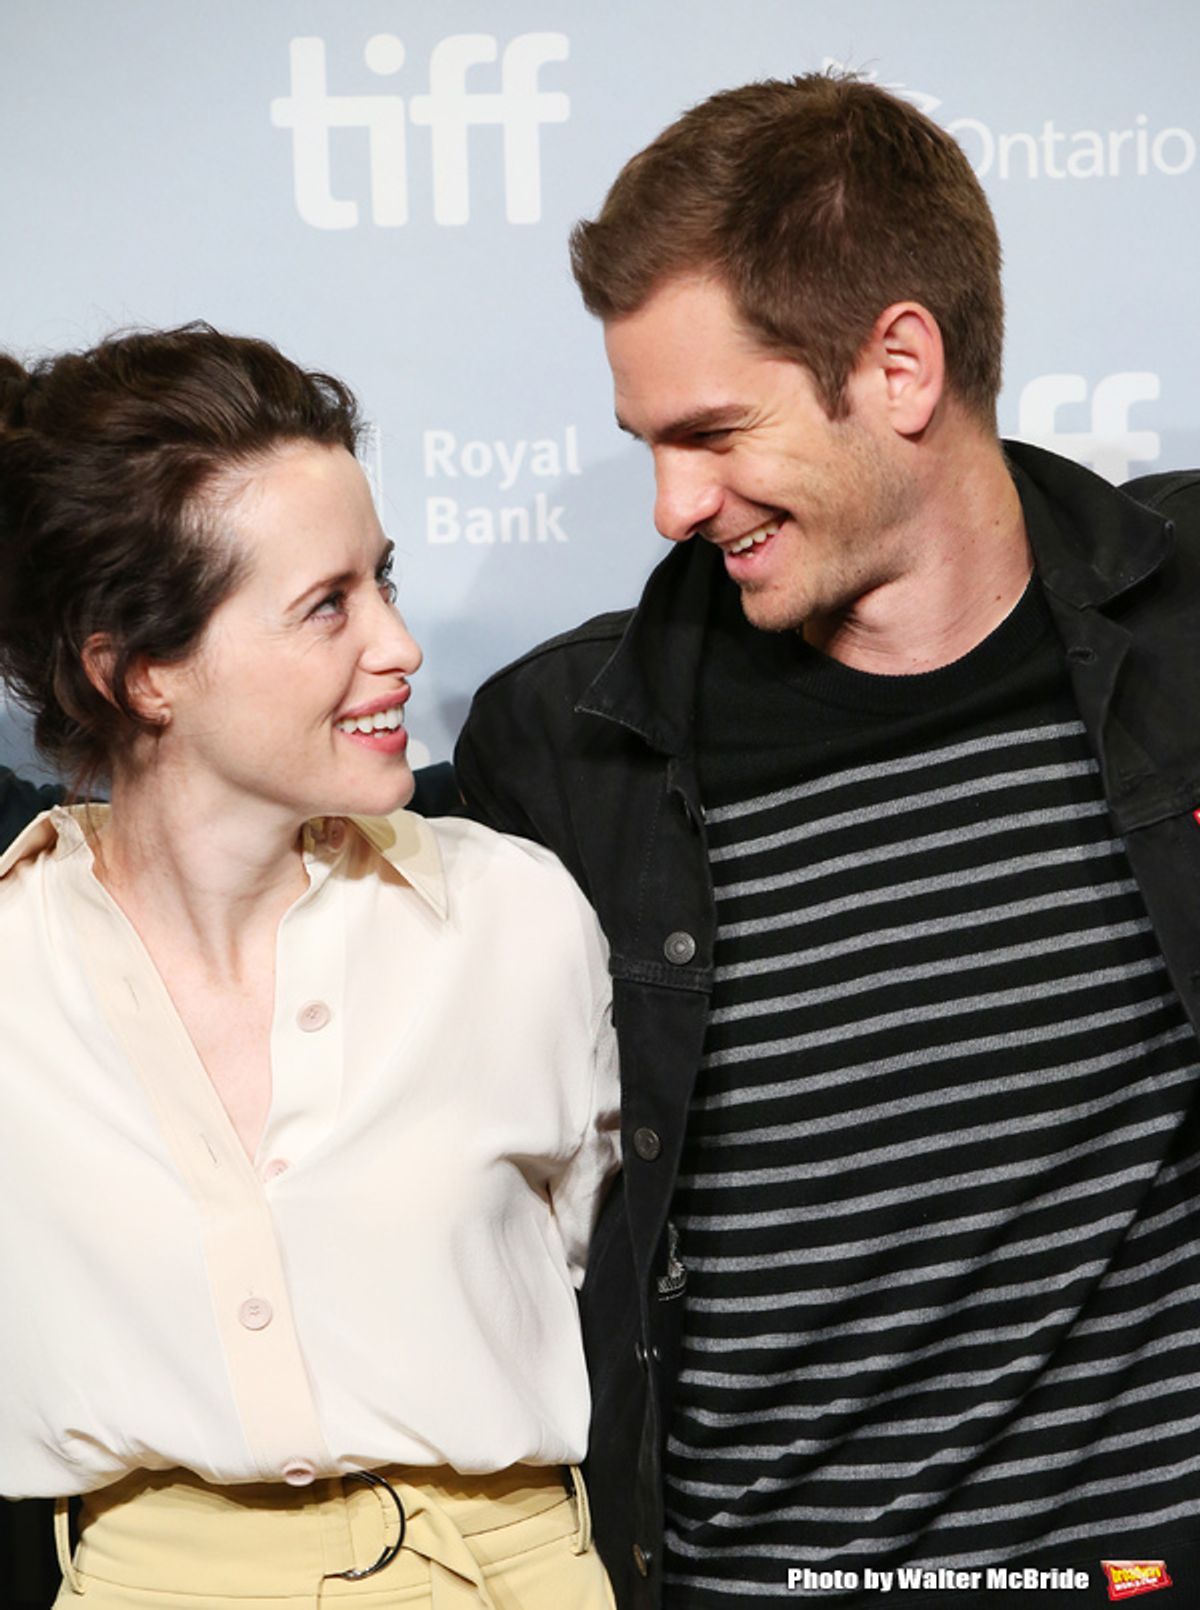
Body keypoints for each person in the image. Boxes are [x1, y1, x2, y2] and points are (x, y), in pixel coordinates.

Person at [452, 75, 1200, 1608]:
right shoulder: (571, 745)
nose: (670, 502)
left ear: (902, 364)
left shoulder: (1186, 629)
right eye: (648, 441)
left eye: (715, 431)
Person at [0, 325, 619, 1609]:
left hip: (511, 1570)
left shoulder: (511, 916)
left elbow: (604, 1269)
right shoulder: (14, 968)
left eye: (383, 579)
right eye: (329, 603)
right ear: (142, 668)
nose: (399, 645)